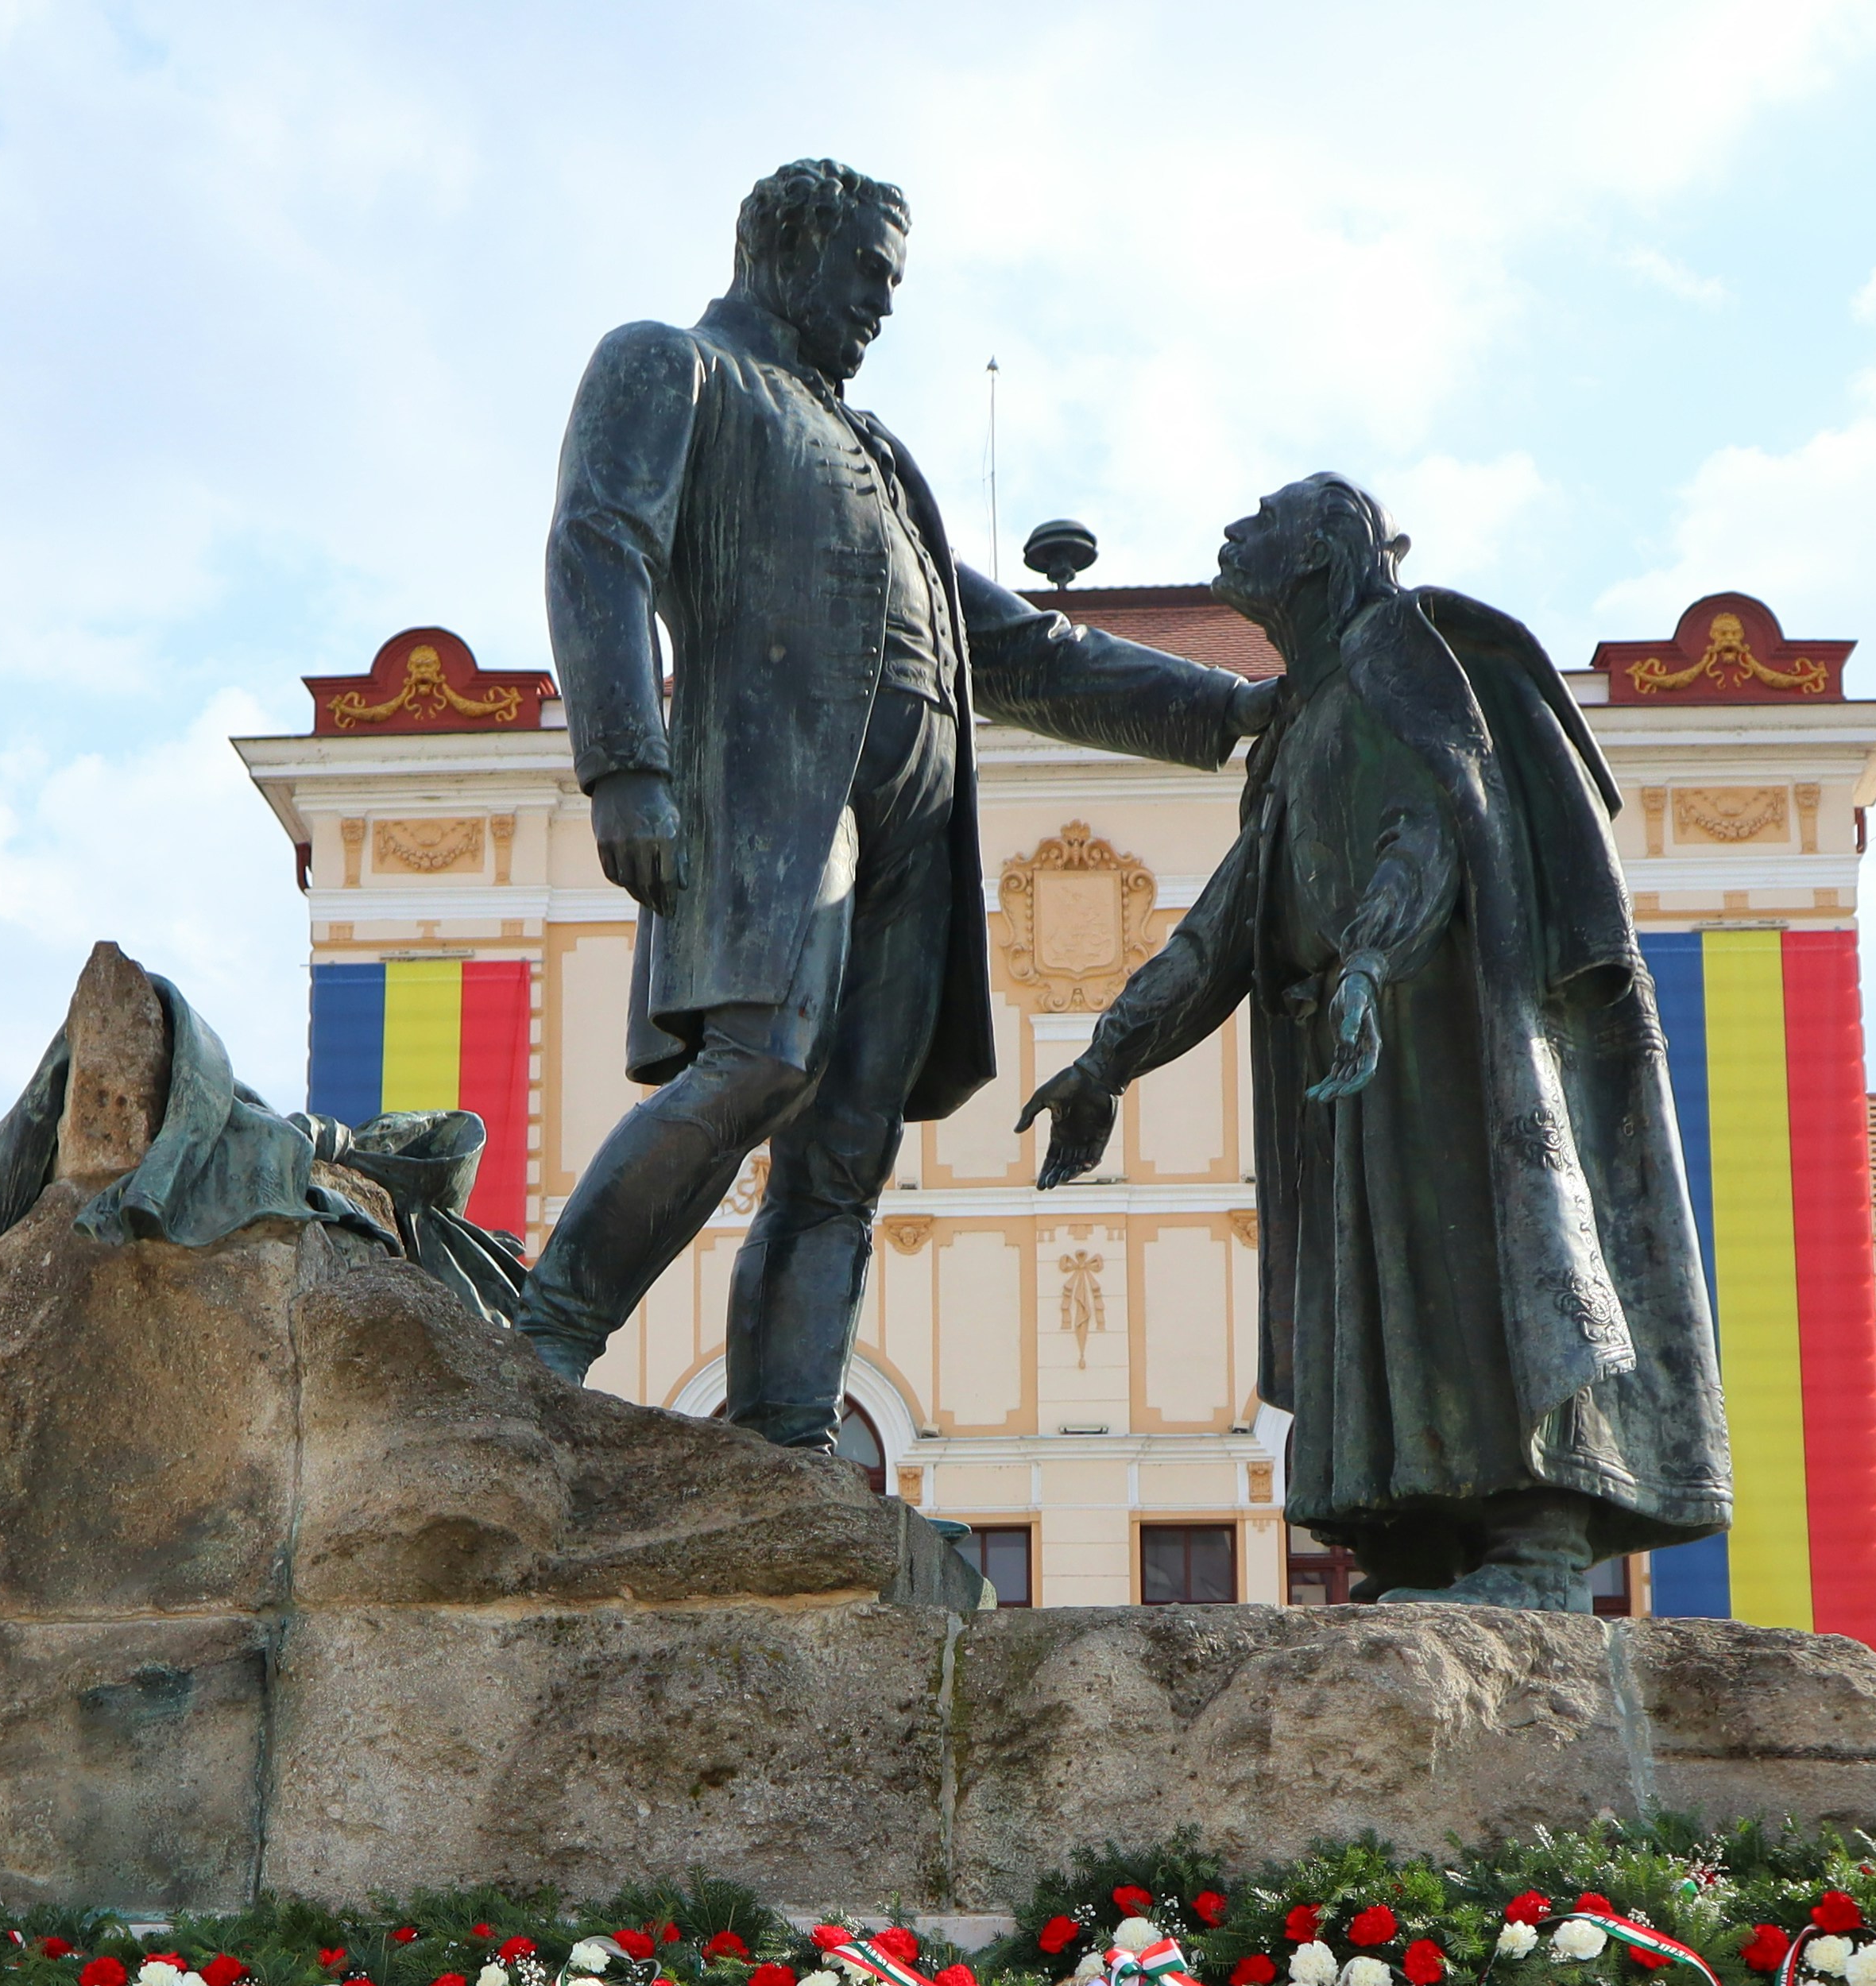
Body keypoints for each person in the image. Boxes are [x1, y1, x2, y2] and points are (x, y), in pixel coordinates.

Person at [525, 157, 1270, 1445]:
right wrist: (625, 765)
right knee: (758, 1061)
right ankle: (545, 1335)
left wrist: (1226, 710)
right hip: (771, 805)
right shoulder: (673, 365)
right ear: (791, 248)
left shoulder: (878, 450)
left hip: (910, 843)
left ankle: (787, 1439)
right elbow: (598, 544)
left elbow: (1027, 652)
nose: (883, 302)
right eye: (870, 269)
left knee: (846, 1158)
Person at [1015, 475, 1731, 1607]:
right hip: (1351, 1063)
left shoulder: (1405, 662)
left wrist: (1368, 959)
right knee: (1379, 1296)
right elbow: (1221, 928)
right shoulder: (1301, 718)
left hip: (1442, 1039)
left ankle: (1536, 1543)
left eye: (1261, 519)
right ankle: (1409, 1540)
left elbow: (1437, 824)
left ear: (1315, 553)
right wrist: (1108, 1058)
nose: (1234, 527)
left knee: (1481, 1265)